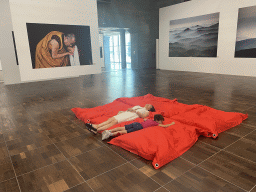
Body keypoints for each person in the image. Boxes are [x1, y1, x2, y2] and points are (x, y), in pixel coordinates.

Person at [85, 104, 155, 134]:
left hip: (130, 116)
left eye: (149, 105)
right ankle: (96, 126)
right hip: (126, 113)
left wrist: (135, 111)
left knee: (114, 122)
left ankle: (97, 129)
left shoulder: (147, 112)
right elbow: (130, 109)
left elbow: (142, 116)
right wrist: (127, 110)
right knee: (110, 119)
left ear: (150, 108)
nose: (148, 104)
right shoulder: (139, 106)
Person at [102, 114, 175, 140]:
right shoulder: (156, 123)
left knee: (122, 128)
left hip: (136, 123)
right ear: (158, 120)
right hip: (139, 127)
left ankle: (109, 130)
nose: (161, 122)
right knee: (124, 132)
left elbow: (145, 119)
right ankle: (110, 134)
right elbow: (164, 126)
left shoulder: (149, 119)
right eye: (161, 121)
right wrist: (171, 124)